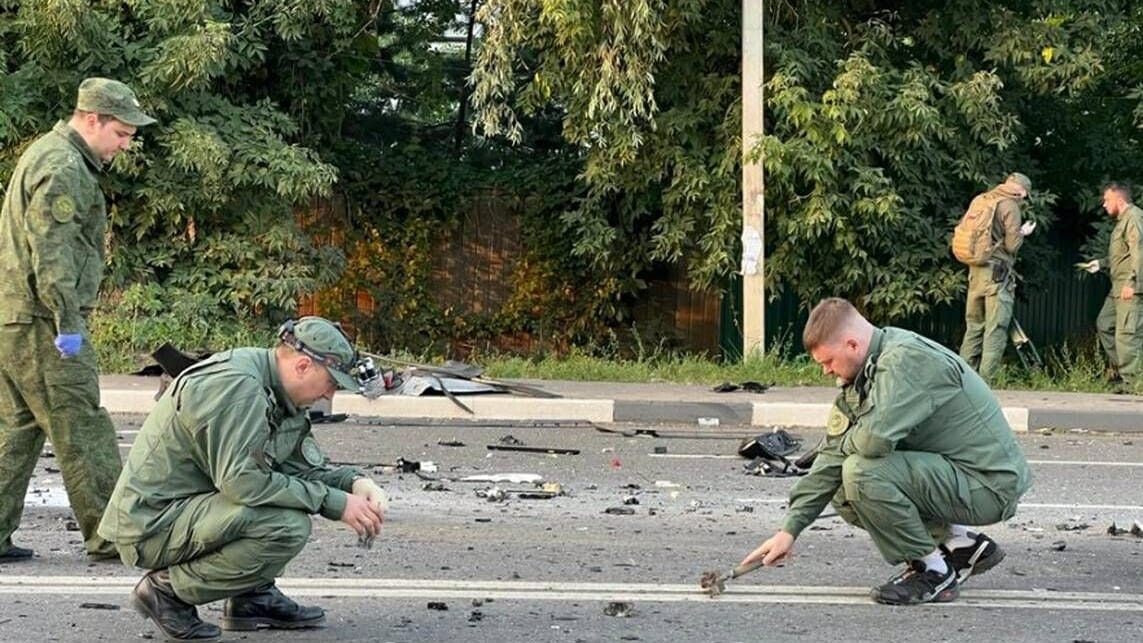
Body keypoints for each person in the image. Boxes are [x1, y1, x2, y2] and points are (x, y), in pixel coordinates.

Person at [98, 316, 387, 641]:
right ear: (304, 366)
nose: (330, 394)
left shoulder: (279, 391)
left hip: (191, 509)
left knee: (282, 502)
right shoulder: (239, 388)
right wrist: (333, 503)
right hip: (151, 525)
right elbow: (244, 483)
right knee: (285, 526)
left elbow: (297, 469)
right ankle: (166, 592)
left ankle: (251, 598)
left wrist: (355, 484)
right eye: (332, 382)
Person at [740, 298, 1031, 605]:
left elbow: (871, 443)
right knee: (840, 483)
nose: (826, 372)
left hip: (988, 484)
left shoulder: (906, 361)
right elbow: (831, 456)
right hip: (956, 475)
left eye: (828, 362)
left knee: (860, 472)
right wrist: (789, 530)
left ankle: (933, 571)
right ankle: (959, 544)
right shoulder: (866, 371)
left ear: (852, 344)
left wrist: (844, 444)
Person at [0, 78, 157, 562]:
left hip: (17, 318)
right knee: (82, 426)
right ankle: (114, 536)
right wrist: (67, 323)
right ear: (93, 120)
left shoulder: (48, 154)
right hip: (44, 322)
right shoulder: (64, 166)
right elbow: (53, 252)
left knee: (18, 429)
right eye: (122, 133)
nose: (126, 144)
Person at [959, 172, 1037, 381]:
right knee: (996, 328)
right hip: (997, 274)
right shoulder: (1010, 206)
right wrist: (1022, 233)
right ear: (1020, 191)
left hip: (975, 271)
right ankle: (986, 382)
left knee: (974, 326)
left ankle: (963, 380)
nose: (1023, 199)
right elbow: (1012, 246)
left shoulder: (982, 200)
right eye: (1024, 195)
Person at [1080, 182, 1143, 391]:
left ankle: (1132, 383)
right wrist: (1101, 263)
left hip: (1129, 287)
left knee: (1127, 334)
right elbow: (1123, 255)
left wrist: (1133, 283)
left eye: (1107, 200)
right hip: (1116, 287)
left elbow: (1139, 254)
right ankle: (1125, 371)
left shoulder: (1134, 218)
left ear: (1119, 198)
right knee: (1105, 324)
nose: (1104, 205)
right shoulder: (1122, 221)